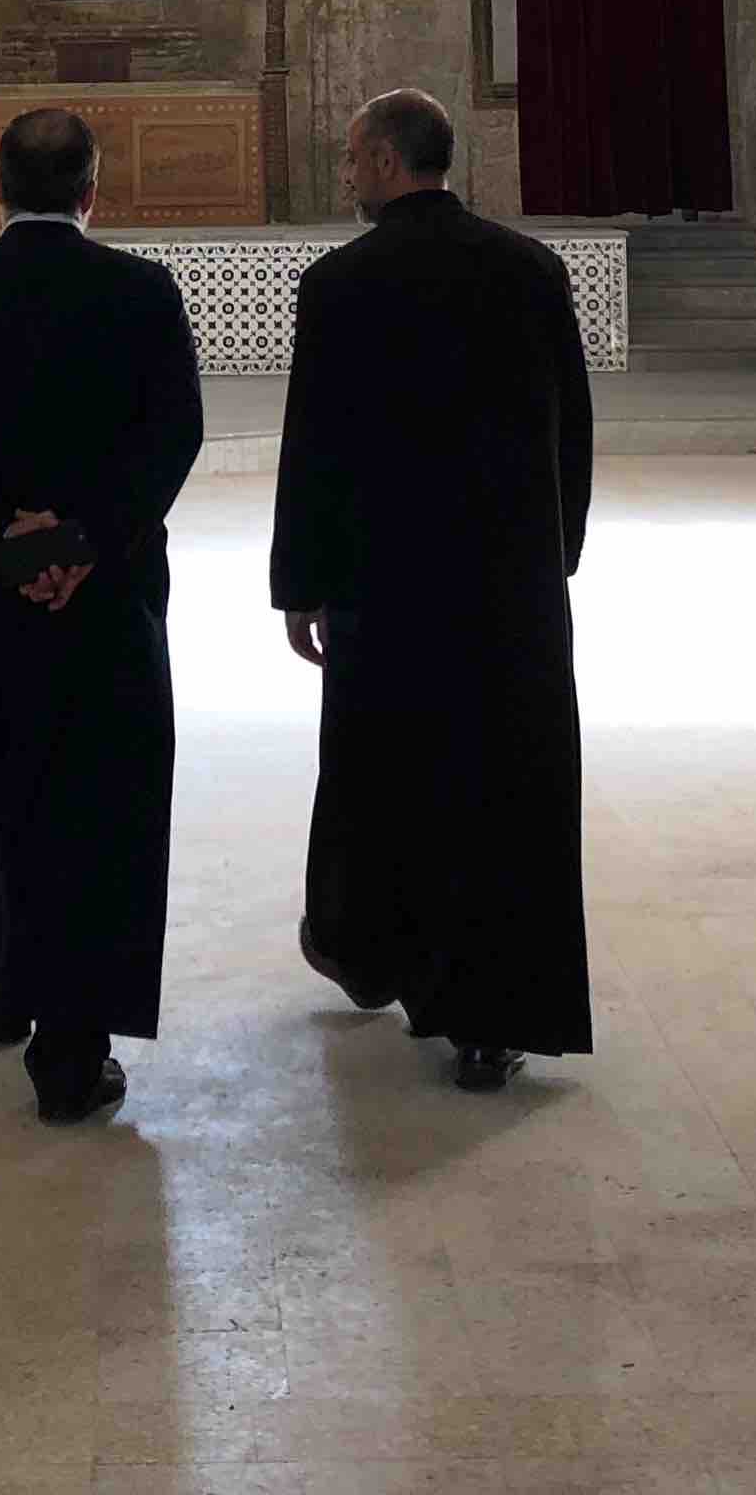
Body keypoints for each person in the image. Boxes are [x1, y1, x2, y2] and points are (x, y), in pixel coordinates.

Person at [270, 87, 595, 1092]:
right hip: (506, 585)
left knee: (388, 777)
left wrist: (302, 584)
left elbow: (314, 448)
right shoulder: (530, 269)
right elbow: (571, 427)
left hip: (386, 587)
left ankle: (384, 958)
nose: (346, 173)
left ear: (383, 161)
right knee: (504, 786)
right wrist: (557, 551)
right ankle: (494, 1018)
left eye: (351, 157)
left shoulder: (341, 283)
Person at [0, 106, 204, 1121]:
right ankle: (73, 1050)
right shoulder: (142, 292)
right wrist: (85, 542)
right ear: (91, 192)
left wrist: (3, 537)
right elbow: (173, 436)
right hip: (106, 595)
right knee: (102, 798)